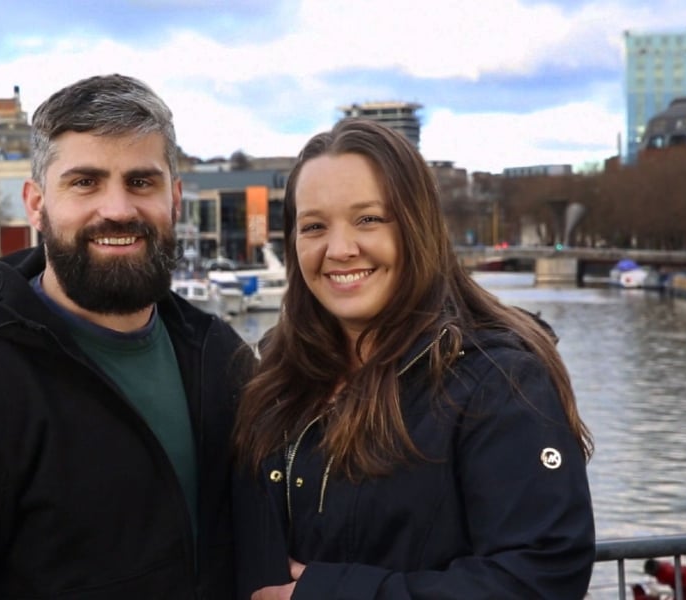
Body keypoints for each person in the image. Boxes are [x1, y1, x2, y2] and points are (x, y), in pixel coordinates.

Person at [0, 74, 253, 598]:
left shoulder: (220, 357)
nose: (117, 209)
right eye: (84, 182)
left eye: (141, 182)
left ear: (174, 199)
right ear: (36, 204)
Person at [233, 119, 595, 599]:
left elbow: (540, 577)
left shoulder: (497, 380)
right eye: (315, 226)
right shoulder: (274, 372)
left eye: (368, 219)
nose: (339, 249)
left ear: (417, 226)